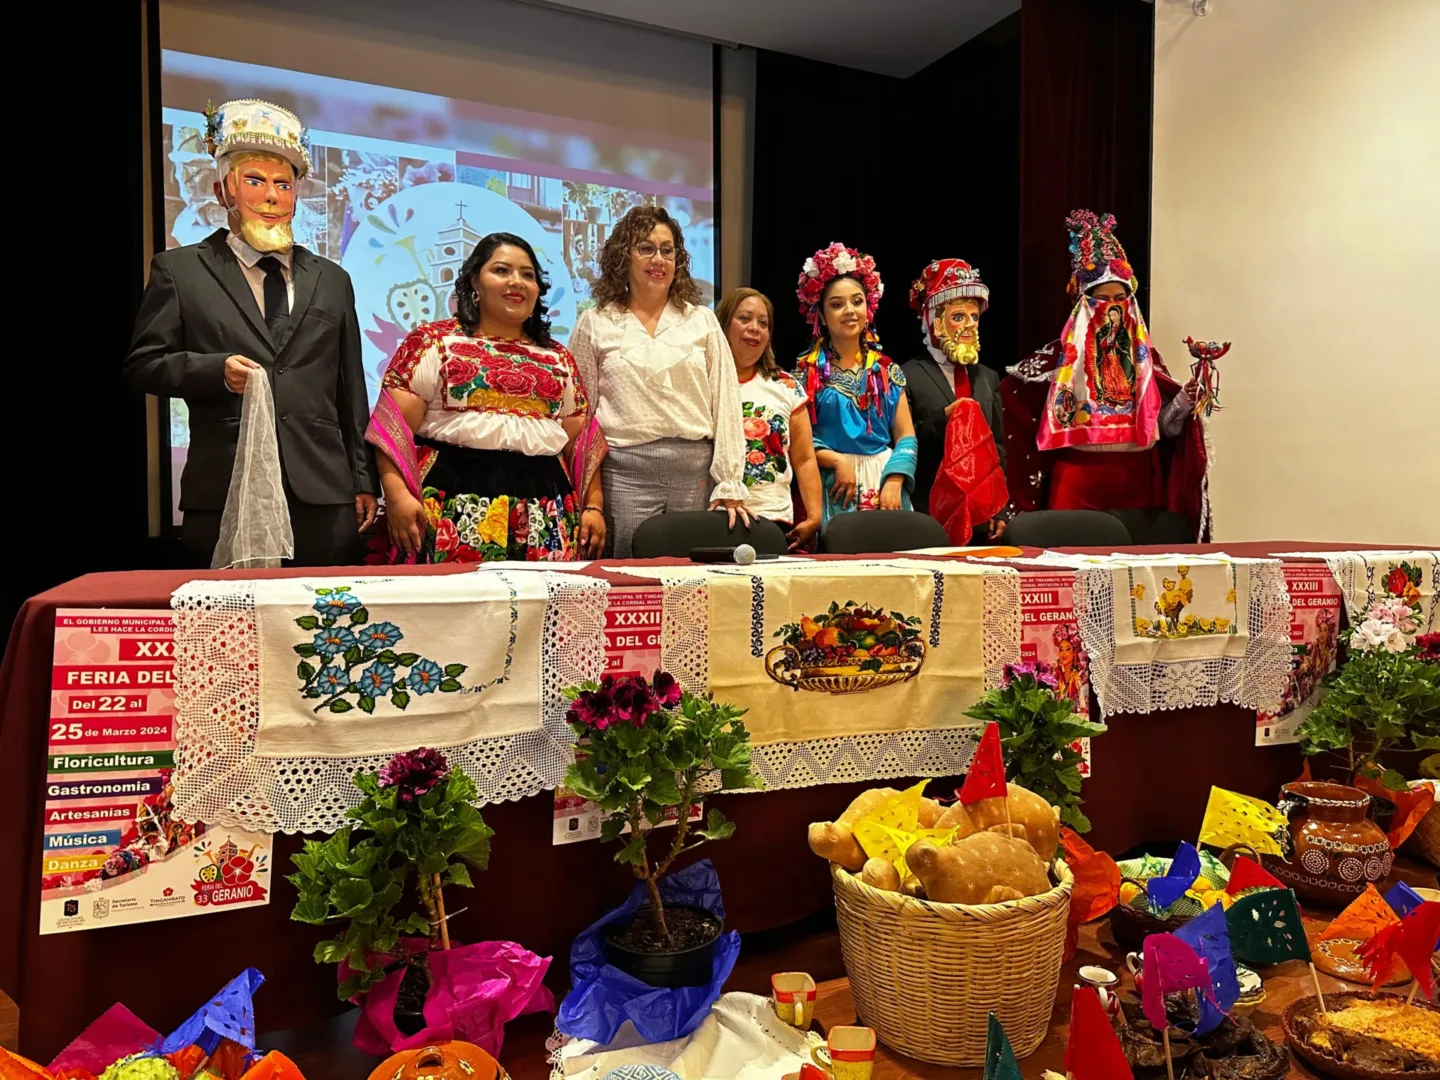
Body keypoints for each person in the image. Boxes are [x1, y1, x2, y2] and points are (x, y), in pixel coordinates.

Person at [125, 99, 377, 567]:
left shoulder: (332, 279)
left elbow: (350, 388)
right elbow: (144, 364)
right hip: (225, 488)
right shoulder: (180, 271)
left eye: (284, 184)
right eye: (255, 181)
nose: (271, 197)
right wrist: (214, 371)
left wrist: (364, 480)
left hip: (322, 493)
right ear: (223, 192)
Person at [367, 232, 604, 563]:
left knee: (541, 597)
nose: (517, 282)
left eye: (528, 275)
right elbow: (391, 429)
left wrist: (594, 507)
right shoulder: (433, 342)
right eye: (502, 270)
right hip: (451, 506)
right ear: (474, 282)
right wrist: (396, 497)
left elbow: (581, 442)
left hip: (546, 513)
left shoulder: (558, 358)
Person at [1001, 210, 1208, 536]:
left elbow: (1161, 429)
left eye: (1121, 298)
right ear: (1081, 303)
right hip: (1076, 482)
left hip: (1138, 483)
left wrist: (1183, 401)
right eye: (1102, 299)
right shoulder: (1056, 361)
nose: (1112, 307)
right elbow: (1018, 414)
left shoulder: (1144, 358)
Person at [569, 206, 748, 557]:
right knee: (630, 578)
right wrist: (590, 498)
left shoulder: (702, 321)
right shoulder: (595, 322)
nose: (658, 259)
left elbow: (727, 402)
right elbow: (581, 418)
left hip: (696, 477)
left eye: (668, 250)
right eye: (646, 248)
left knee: (695, 578)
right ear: (624, 256)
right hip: (623, 477)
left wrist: (729, 481)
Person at [794, 243, 918, 524]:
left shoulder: (887, 371)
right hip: (833, 484)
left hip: (884, 484)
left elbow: (906, 436)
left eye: (857, 301)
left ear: (868, 307)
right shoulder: (806, 373)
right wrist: (837, 460)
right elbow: (800, 442)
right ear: (821, 315)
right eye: (837, 305)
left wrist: (895, 479)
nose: (849, 311)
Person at [902, 259, 1011, 542]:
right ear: (935, 322)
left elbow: (998, 446)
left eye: (974, 317)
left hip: (981, 514)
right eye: (959, 317)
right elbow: (904, 443)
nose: (970, 326)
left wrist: (999, 507)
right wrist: (944, 418)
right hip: (928, 509)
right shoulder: (907, 375)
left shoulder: (987, 377)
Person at [717, 287, 824, 550]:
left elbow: (804, 458)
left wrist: (814, 516)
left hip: (774, 519)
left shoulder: (786, 386)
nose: (755, 328)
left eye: (763, 323)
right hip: (715, 516)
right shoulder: (703, 382)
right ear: (723, 325)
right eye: (744, 319)